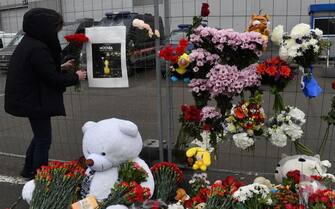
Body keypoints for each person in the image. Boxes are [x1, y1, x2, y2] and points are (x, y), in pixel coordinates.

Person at [4, 8, 86, 179]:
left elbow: (41, 70)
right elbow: (53, 80)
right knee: (43, 140)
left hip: (30, 98)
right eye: (55, 28)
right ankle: (39, 178)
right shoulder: (38, 48)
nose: (56, 32)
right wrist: (76, 76)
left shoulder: (29, 42)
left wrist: (61, 67)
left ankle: (28, 169)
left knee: (40, 137)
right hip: (34, 100)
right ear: (45, 28)